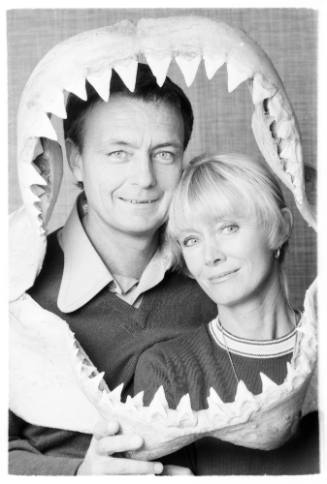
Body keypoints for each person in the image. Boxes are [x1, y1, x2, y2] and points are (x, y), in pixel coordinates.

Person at [9, 65, 217, 475]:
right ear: (76, 160)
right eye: (118, 153)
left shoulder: (217, 280)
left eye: (164, 154)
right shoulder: (14, 283)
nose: (144, 178)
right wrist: (76, 477)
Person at [133, 153, 319, 474]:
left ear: (281, 227)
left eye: (228, 227)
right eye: (191, 240)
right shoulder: (168, 371)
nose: (210, 256)